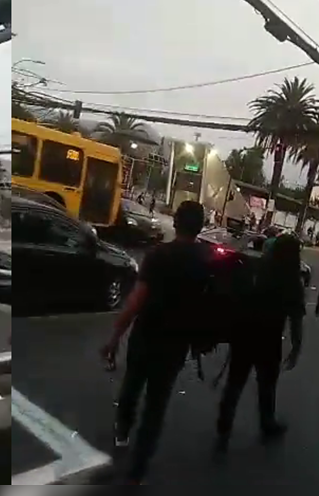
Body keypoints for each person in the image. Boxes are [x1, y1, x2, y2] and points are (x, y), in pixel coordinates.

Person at [102, 201, 212, 484]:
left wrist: (115, 337)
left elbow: (136, 301)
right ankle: (139, 464)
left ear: (175, 222)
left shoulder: (159, 256)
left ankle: (123, 433)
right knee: (157, 404)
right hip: (176, 345)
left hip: (146, 337)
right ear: (199, 226)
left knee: (132, 388)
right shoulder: (206, 260)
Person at [214, 232, 304, 453]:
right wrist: (296, 347)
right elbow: (296, 318)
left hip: (244, 333)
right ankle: (267, 423)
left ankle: (224, 423)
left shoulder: (256, 267)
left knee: (235, 381)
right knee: (267, 384)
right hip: (269, 338)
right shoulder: (293, 280)